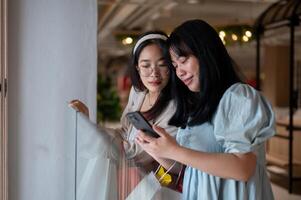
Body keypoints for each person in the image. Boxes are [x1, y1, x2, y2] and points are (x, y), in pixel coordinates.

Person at [136, 19, 275, 200]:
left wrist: (175, 151)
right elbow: (195, 168)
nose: (179, 72)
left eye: (183, 60)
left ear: (205, 53)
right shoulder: (198, 104)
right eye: (175, 66)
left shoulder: (238, 97)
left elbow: (242, 168)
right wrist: (159, 150)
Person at [70, 30, 179, 170]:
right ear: (137, 68)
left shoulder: (175, 108)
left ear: (172, 66)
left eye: (162, 65)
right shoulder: (139, 92)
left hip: (152, 183)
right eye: (146, 65)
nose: (154, 73)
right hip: (127, 176)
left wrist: (92, 133)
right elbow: (124, 133)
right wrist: (91, 128)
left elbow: (135, 154)